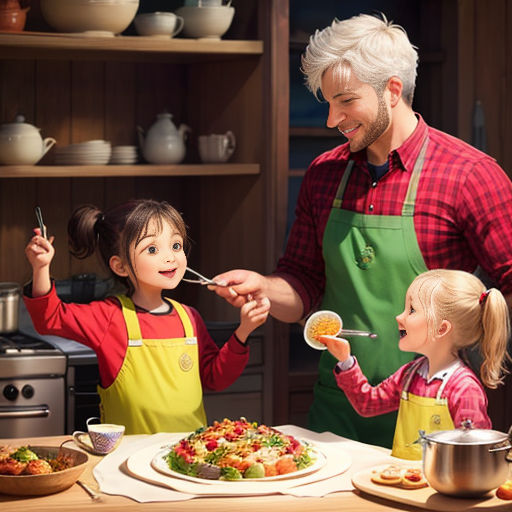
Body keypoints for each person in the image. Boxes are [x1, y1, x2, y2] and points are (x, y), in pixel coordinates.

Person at [210, 12, 512, 448]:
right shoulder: (324, 173)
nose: (333, 119)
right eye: (328, 103)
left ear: (392, 90)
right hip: (337, 412)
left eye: (346, 101)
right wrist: (264, 287)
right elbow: (304, 284)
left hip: (436, 416)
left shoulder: (470, 175)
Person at [24, 199, 270, 435]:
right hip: (125, 461)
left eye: (176, 245)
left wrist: (243, 331)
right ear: (120, 266)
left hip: (185, 456)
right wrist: (41, 268)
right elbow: (49, 318)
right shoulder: (109, 317)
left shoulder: (190, 318)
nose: (170, 257)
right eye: (152, 249)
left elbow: (215, 378)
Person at [317, 269, 510, 460]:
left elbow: (476, 454)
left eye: (411, 310)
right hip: (403, 483)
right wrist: (345, 359)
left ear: (441, 328)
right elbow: (368, 404)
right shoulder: (410, 374)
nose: (399, 317)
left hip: (443, 488)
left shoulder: (465, 389)